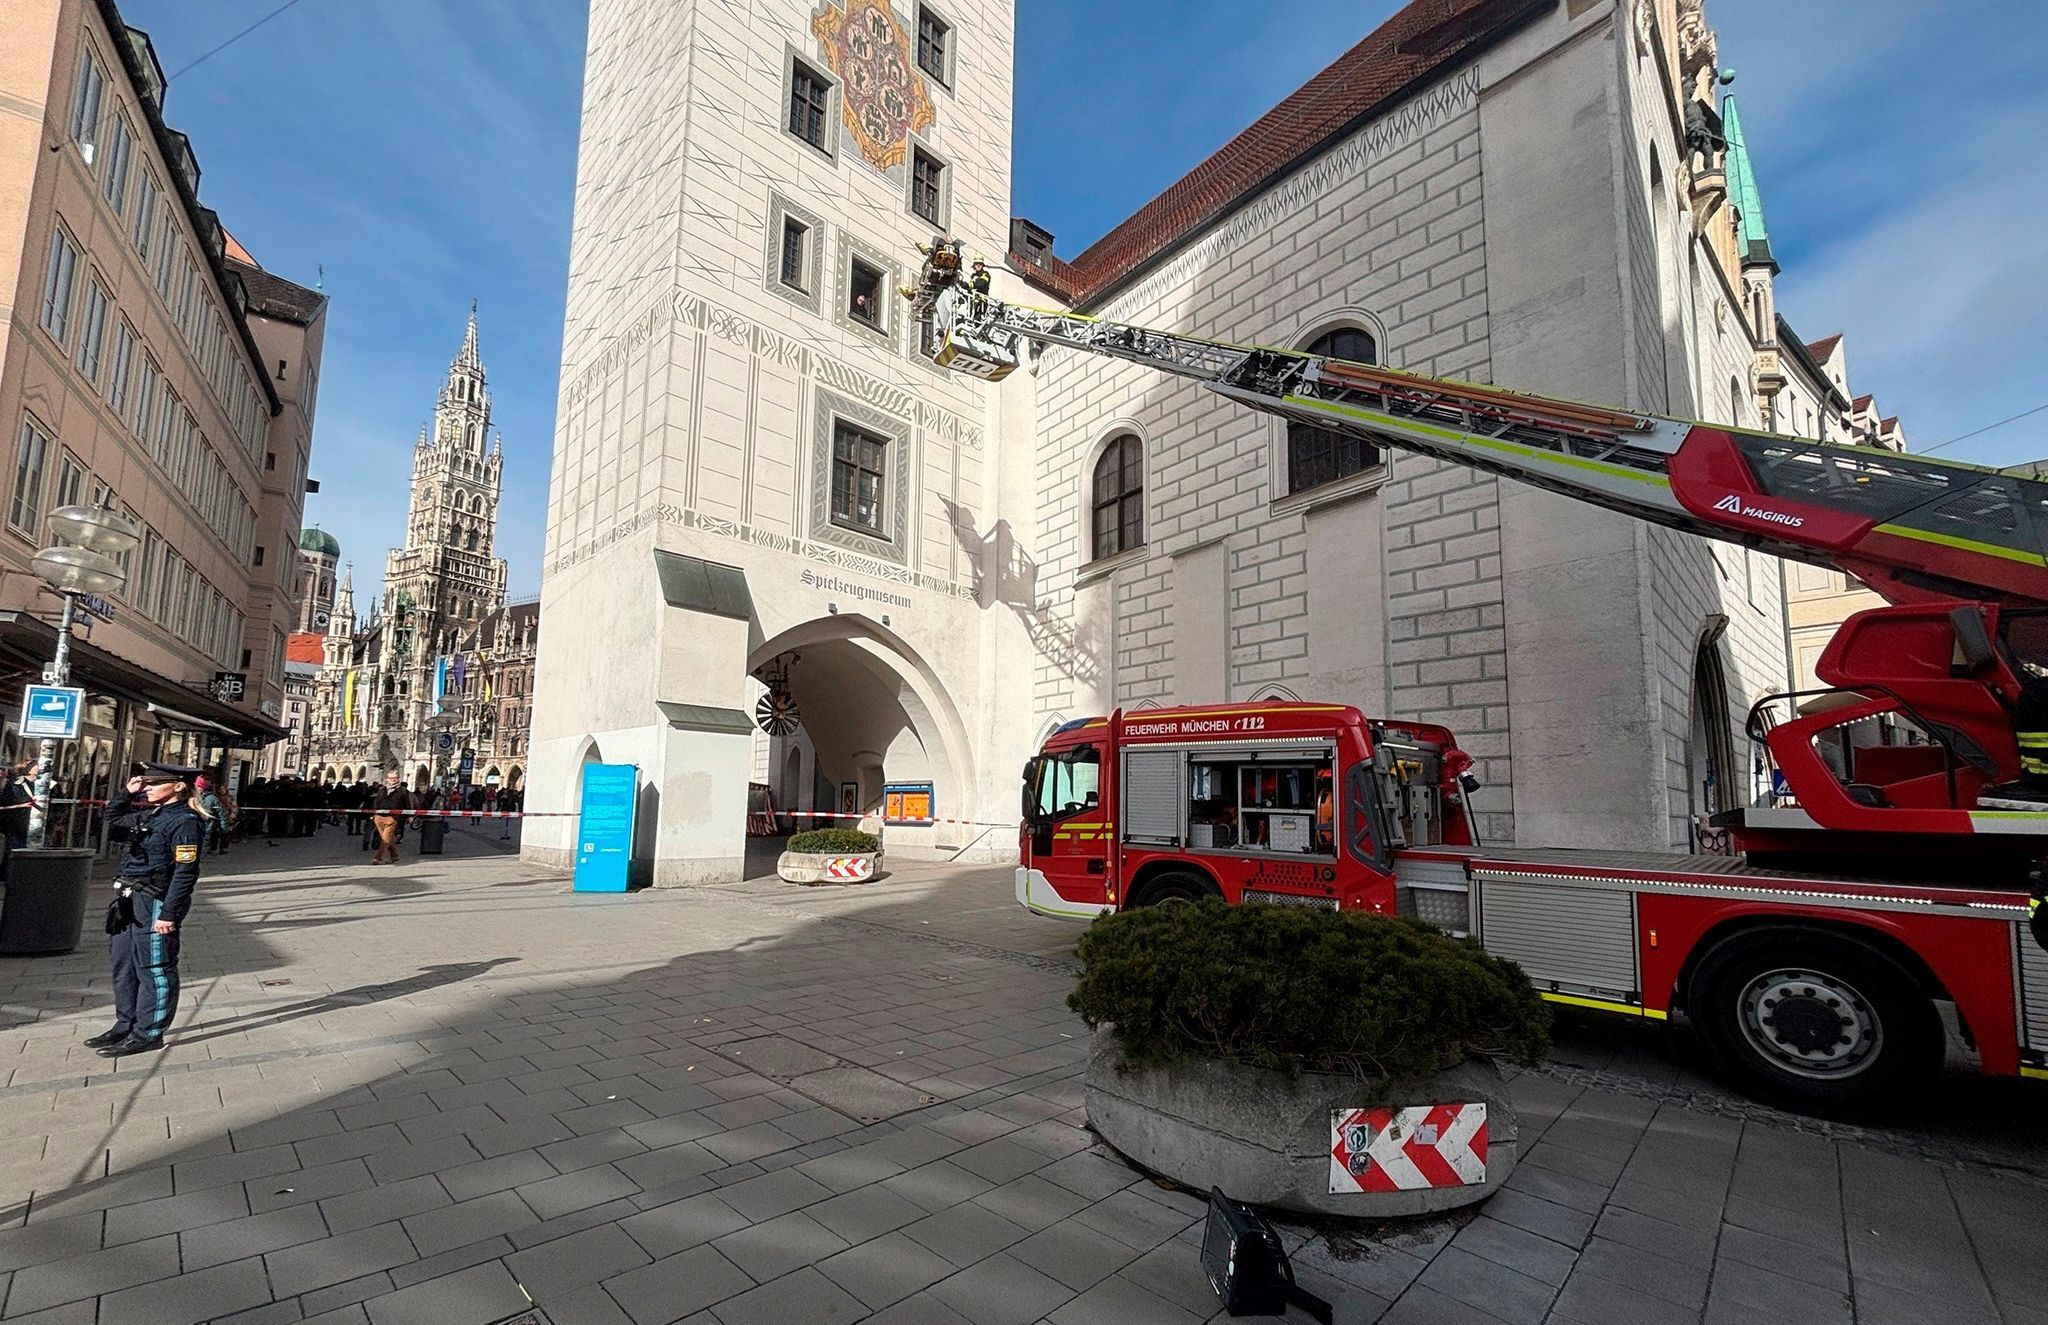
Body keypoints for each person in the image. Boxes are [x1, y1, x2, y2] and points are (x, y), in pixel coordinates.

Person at [85, 763, 208, 1057]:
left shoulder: (185, 821)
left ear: (178, 786)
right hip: (129, 897)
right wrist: (125, 794)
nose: (147, 788)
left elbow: (185, 872)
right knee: (124, 964)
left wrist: (169, 914)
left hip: (155, 900)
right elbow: (111, 821)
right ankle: (125, 1025)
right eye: (145, 783)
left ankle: (148, 1033)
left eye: (153, 783)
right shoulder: (154, 813)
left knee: (154, 968)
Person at [370, 770, 410, 865]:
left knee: (385, 838)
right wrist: (374, 814)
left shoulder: (403, 791)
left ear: (398, 779)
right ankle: (394, 856)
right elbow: (376, 802)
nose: (393, 780)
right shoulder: (382, 789)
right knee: (388, 838)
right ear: (387, 779)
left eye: (395, 778)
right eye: (390, 778)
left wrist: (408, 816)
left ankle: (378, 857)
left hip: (392, 817)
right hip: (379, 817)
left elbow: (406, 804)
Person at [0, 759, 35, 850]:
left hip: (17, 826)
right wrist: (21, 805)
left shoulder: (12, 786)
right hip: (14, 826)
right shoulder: (13, 785)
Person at [195, 775, 229, 855]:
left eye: (198, 786)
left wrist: (224, 827)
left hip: (207, 827)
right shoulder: (193, 797)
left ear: (202, 787)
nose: (196, 788)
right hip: (195, 827)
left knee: (202, 849)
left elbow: (221, 814)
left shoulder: (212, 798)